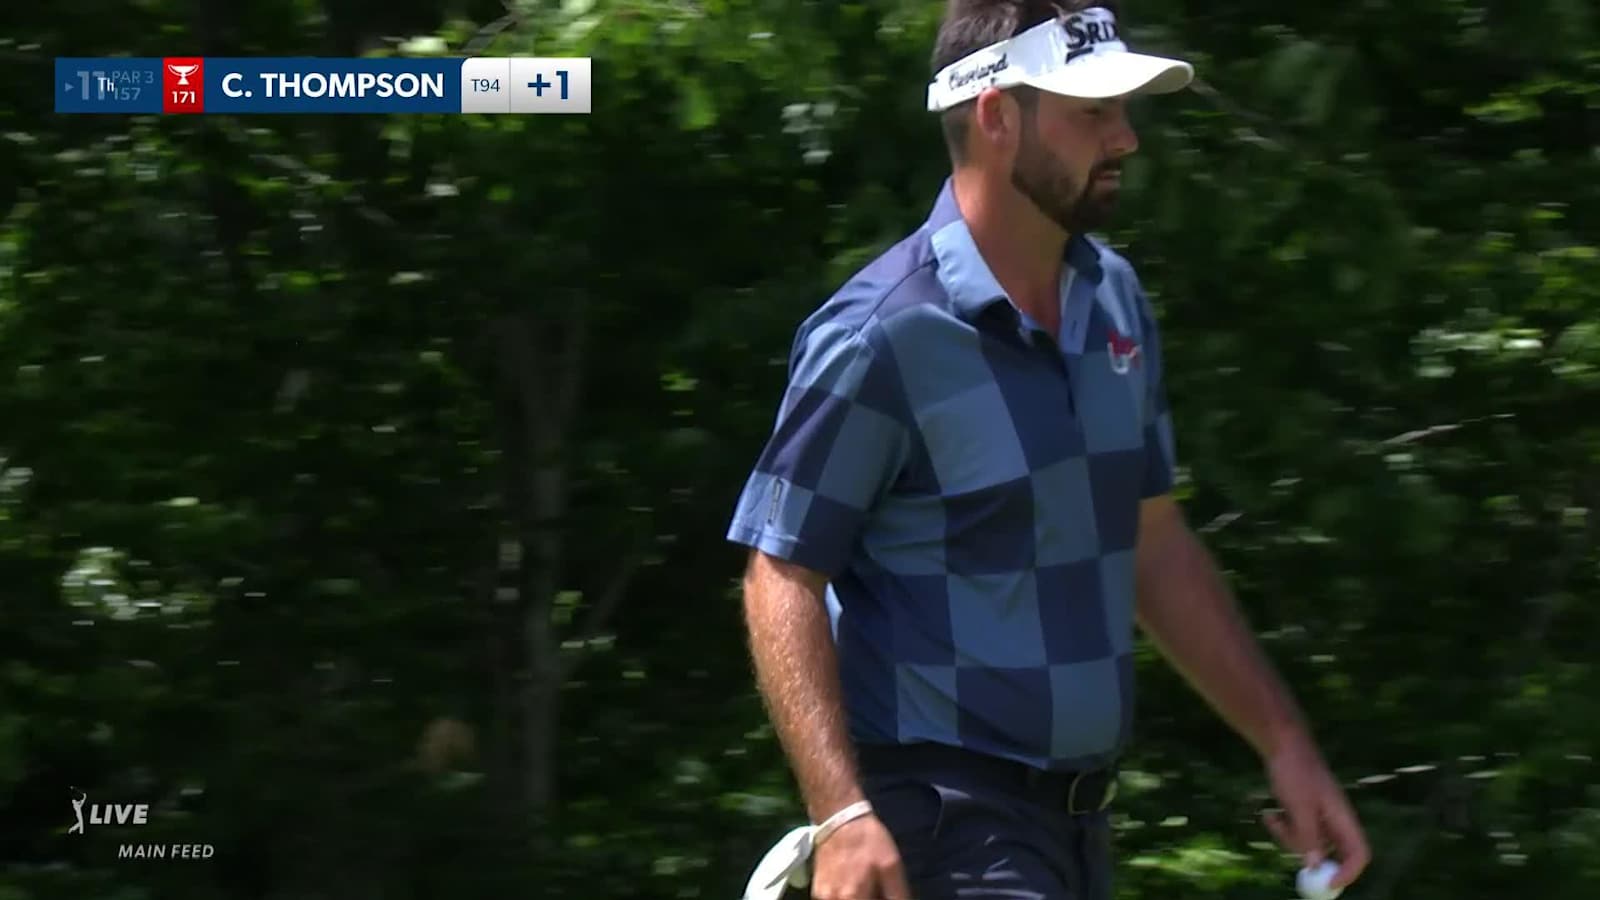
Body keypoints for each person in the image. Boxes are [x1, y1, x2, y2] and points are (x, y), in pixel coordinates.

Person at [726, 1, 1372, 897]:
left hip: (1077, 829)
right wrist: (841, 817)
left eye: (1122, 110)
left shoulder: (1114, 302)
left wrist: (1284, 742)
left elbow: (1154, 546)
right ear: (995, 116)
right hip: (941, 822)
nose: (1126, 139)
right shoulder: (884, 335)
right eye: (1091, 113)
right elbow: (780, 574)